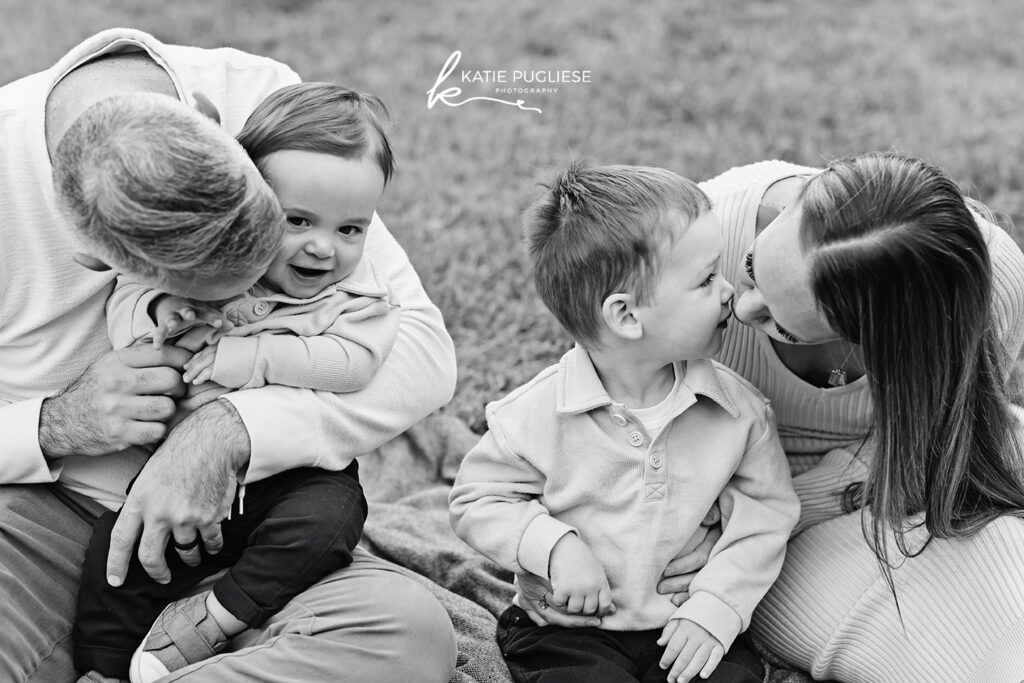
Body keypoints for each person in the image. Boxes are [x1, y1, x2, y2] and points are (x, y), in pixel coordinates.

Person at [0, 28, 456, 683]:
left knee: (405, 639)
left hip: (254, 528)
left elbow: (421, 353)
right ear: (93, 255)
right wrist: (55, 421)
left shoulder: (265, 104)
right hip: (53, 520)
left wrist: (231, 431)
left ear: (217, 126)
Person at [518, 153, 1024, 682]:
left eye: (782, 324)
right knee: (914, 633)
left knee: (994, 563)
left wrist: (730, 527)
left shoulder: (987, 290)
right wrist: (570, 550)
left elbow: (937, 451)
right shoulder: (690, 235)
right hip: (738, 531)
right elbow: (607, 409)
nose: (739, 308)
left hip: (884, 484)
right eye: (753, 268)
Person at [72, 82, 401, 682]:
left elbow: (354, 363)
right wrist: (162, 314)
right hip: (172, 474)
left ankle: (213, 618)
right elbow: (126, 307)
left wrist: (253, 359)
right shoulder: (210, 263)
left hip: (297, 473)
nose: (323, 248)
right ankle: (102, 669)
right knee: (115, 553)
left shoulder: (356, 296)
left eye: (351, 229)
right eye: (297, 220)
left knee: (328, 525)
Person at [450, 162, 800, 683]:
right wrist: (554, 546)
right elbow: (477, 501)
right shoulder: (536, 414)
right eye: (706, 280)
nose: (730, 291)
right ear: (627, 316)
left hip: (681, 623)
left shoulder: (737, 412)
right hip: (565, 629)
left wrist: (716, 608)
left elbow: (765, 518)